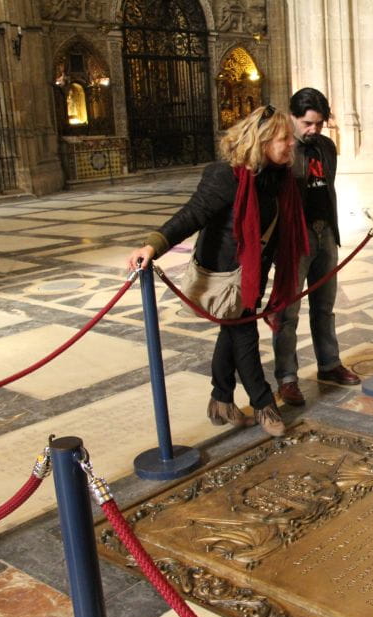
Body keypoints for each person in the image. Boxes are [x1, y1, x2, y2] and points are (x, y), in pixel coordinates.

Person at [126, 105, 308, 437]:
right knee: (243, 333)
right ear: (263, 140)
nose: (291, 144)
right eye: (284, 138)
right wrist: (152, 245)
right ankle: (265, 404)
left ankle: (221, 400)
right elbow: (192, 214)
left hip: (252, 272)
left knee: (233, 330)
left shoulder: (278, 176)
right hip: (224, 273)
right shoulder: (226, 175)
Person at [273, 87, 360, 406]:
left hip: (326, 233)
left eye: (319, 124)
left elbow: (328, 187)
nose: (314, 130)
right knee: (288, 313)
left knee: (324, 306)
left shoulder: (326, 146)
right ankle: (287, 377)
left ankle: (329, 364)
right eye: (308, 123)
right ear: (292, 117)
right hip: (296, 239)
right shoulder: (282, 148)